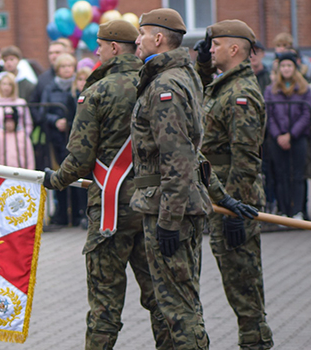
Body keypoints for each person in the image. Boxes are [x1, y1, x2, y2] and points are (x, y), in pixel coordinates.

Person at [42, 19, 171, 349]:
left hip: (111, 209)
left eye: (99, 45)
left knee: (104, 305)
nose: (96, 50)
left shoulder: (97, 91)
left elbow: (80, 157)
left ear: (114, 48)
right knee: (161, 299)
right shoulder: (157, 84)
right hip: (152, 203)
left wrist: (55, 180)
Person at [132, 8, 214, 349]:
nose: (136, 40)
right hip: (169, 205)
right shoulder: (178, 75)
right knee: (173, 305)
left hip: (169, 210)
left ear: (158, 39)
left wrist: (168, 219)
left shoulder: (166, 85)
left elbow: (178, 158)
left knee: (179, 308)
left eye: (141, 34)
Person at [193, 19, 274, 349]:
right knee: (236, 284)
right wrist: (201, 65)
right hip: (221, 195)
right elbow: (199, 98)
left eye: (215, 44)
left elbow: (245, 159)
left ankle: (257, 344)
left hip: (233, 200)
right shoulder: (225, 85)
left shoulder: (241, 94)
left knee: (244, 289)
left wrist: (236, 209)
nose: (210, 49)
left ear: (235, 48)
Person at [264, 51, 311, 219]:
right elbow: (269, 115)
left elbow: (306, 114)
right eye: (283, 65)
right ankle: (284, 211)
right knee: (281, 175)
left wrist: (291, 135)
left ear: (295, 68)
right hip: (277, 139)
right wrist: (279, 136)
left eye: (289, 65)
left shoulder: (305, 89)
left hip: (298, 138)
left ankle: (298, 210)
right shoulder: (271, 90)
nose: (286, 69)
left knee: (297, 175)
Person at [40, 53, 81, 227]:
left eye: (69, 66)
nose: (66, 70)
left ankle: (77, 213)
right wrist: (55, 121)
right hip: (56, 138)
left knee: (75, 176)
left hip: (73, 138)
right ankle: (61, 213)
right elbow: (43, 111)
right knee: (58, 175)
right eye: (63, 66)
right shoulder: (50, 88)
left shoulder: (77, 86)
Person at [30, 40, 70, 170]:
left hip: (71, 135)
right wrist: (44, 121)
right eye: (51, 53)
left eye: (57, 52)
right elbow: (34, 104)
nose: (54, 56)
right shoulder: (43, 79)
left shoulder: (77, 77)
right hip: (50, 135)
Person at [0, 72, 34, 169]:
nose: (6, 87)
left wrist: (22, 136)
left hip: (18, 142)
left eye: (9, 84)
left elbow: (28, 123)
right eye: (4, 84)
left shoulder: (21, 103)